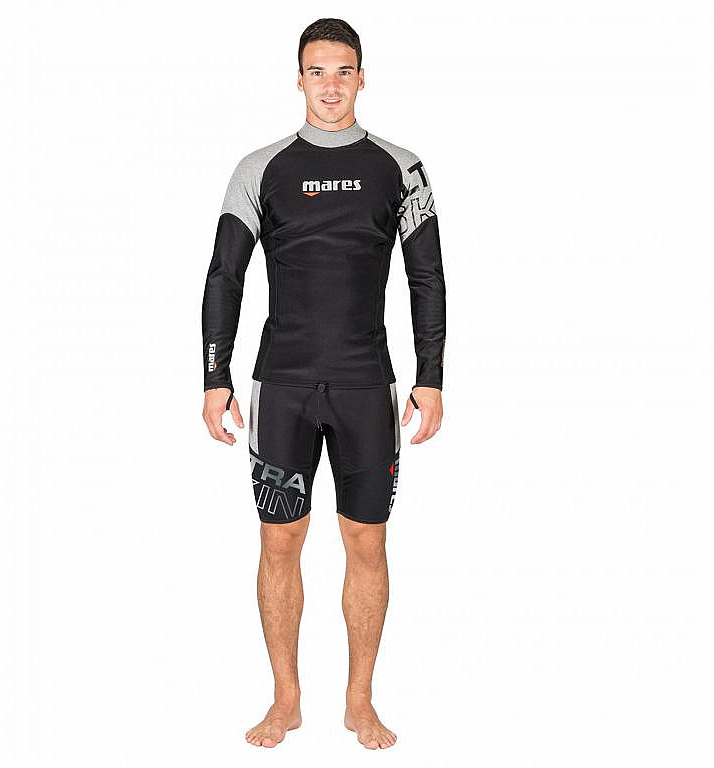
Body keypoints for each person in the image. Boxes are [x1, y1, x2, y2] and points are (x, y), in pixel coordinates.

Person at [201, 18, 446, 750]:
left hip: (366, 385)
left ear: (362, 78)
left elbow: (427, 279)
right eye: (317, 71)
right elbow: (224, 276)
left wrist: (431, 378)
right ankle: (286, 700)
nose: (331, 85)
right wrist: (214, 376)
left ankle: (359, 702)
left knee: (366, 542)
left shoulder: (401, 167)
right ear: (299, 79)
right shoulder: (260, 168)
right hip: (283, 385)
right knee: (280, 541)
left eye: (344, 71)